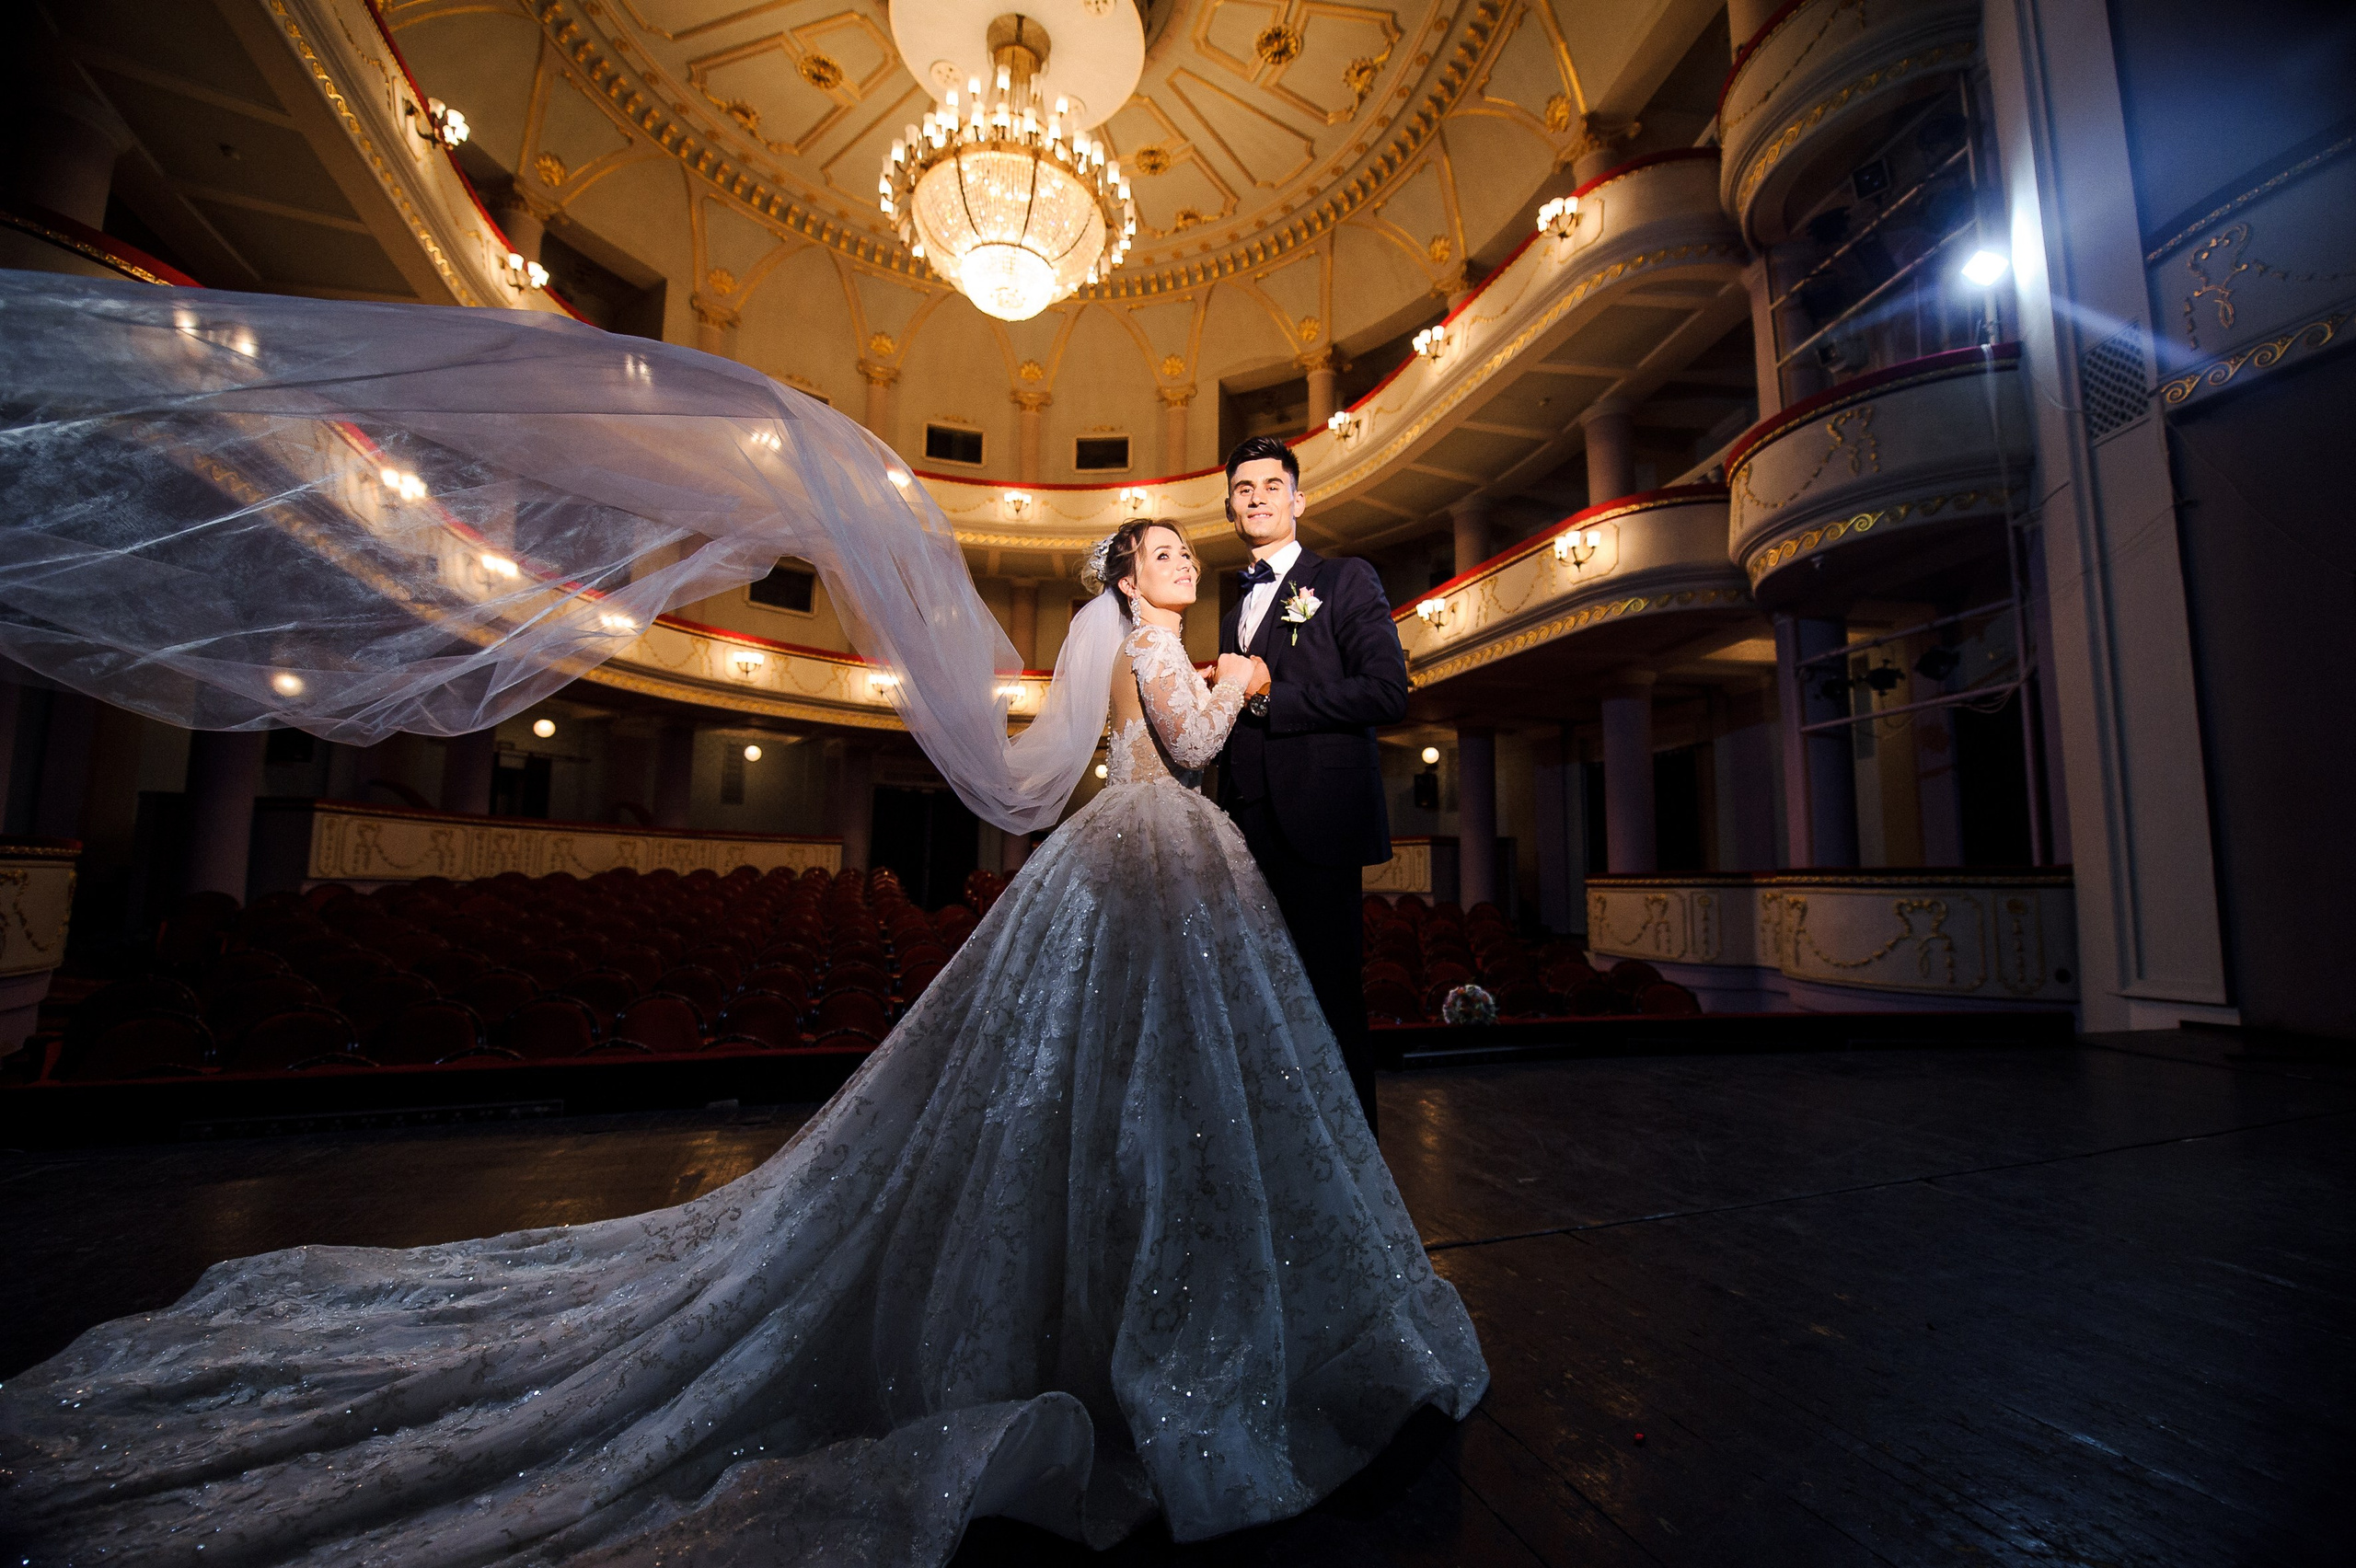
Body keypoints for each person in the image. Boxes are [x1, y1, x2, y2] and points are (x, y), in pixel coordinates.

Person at [0, 299, 1490, 1568]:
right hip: (1160, 847)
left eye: (1191, 542)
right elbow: (1185, 724)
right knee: (1146, 1087)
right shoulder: (1166, 638)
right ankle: (1162, 1298)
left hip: (1165, 851)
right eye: (1165, 547)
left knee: (1145, 1088)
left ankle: (1157, 1277)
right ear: (1128, 578)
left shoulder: (1188, 616)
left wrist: (1241, 677)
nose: (1184, 555)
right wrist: (1237, 678)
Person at [1216, 435, 1409, 1136]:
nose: (1257, 496)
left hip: (1319, 820)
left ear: (1297, 500)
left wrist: (1271, 698)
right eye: (1244, 489)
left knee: (1328, 996)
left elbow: (1388, 693)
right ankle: (1285, 1146)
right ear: (1231, 509)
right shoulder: (1229, 603)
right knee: (1259, 997)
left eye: (1271, 485)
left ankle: (1356, 1161)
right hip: (1244, 825)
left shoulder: (1346, 578)